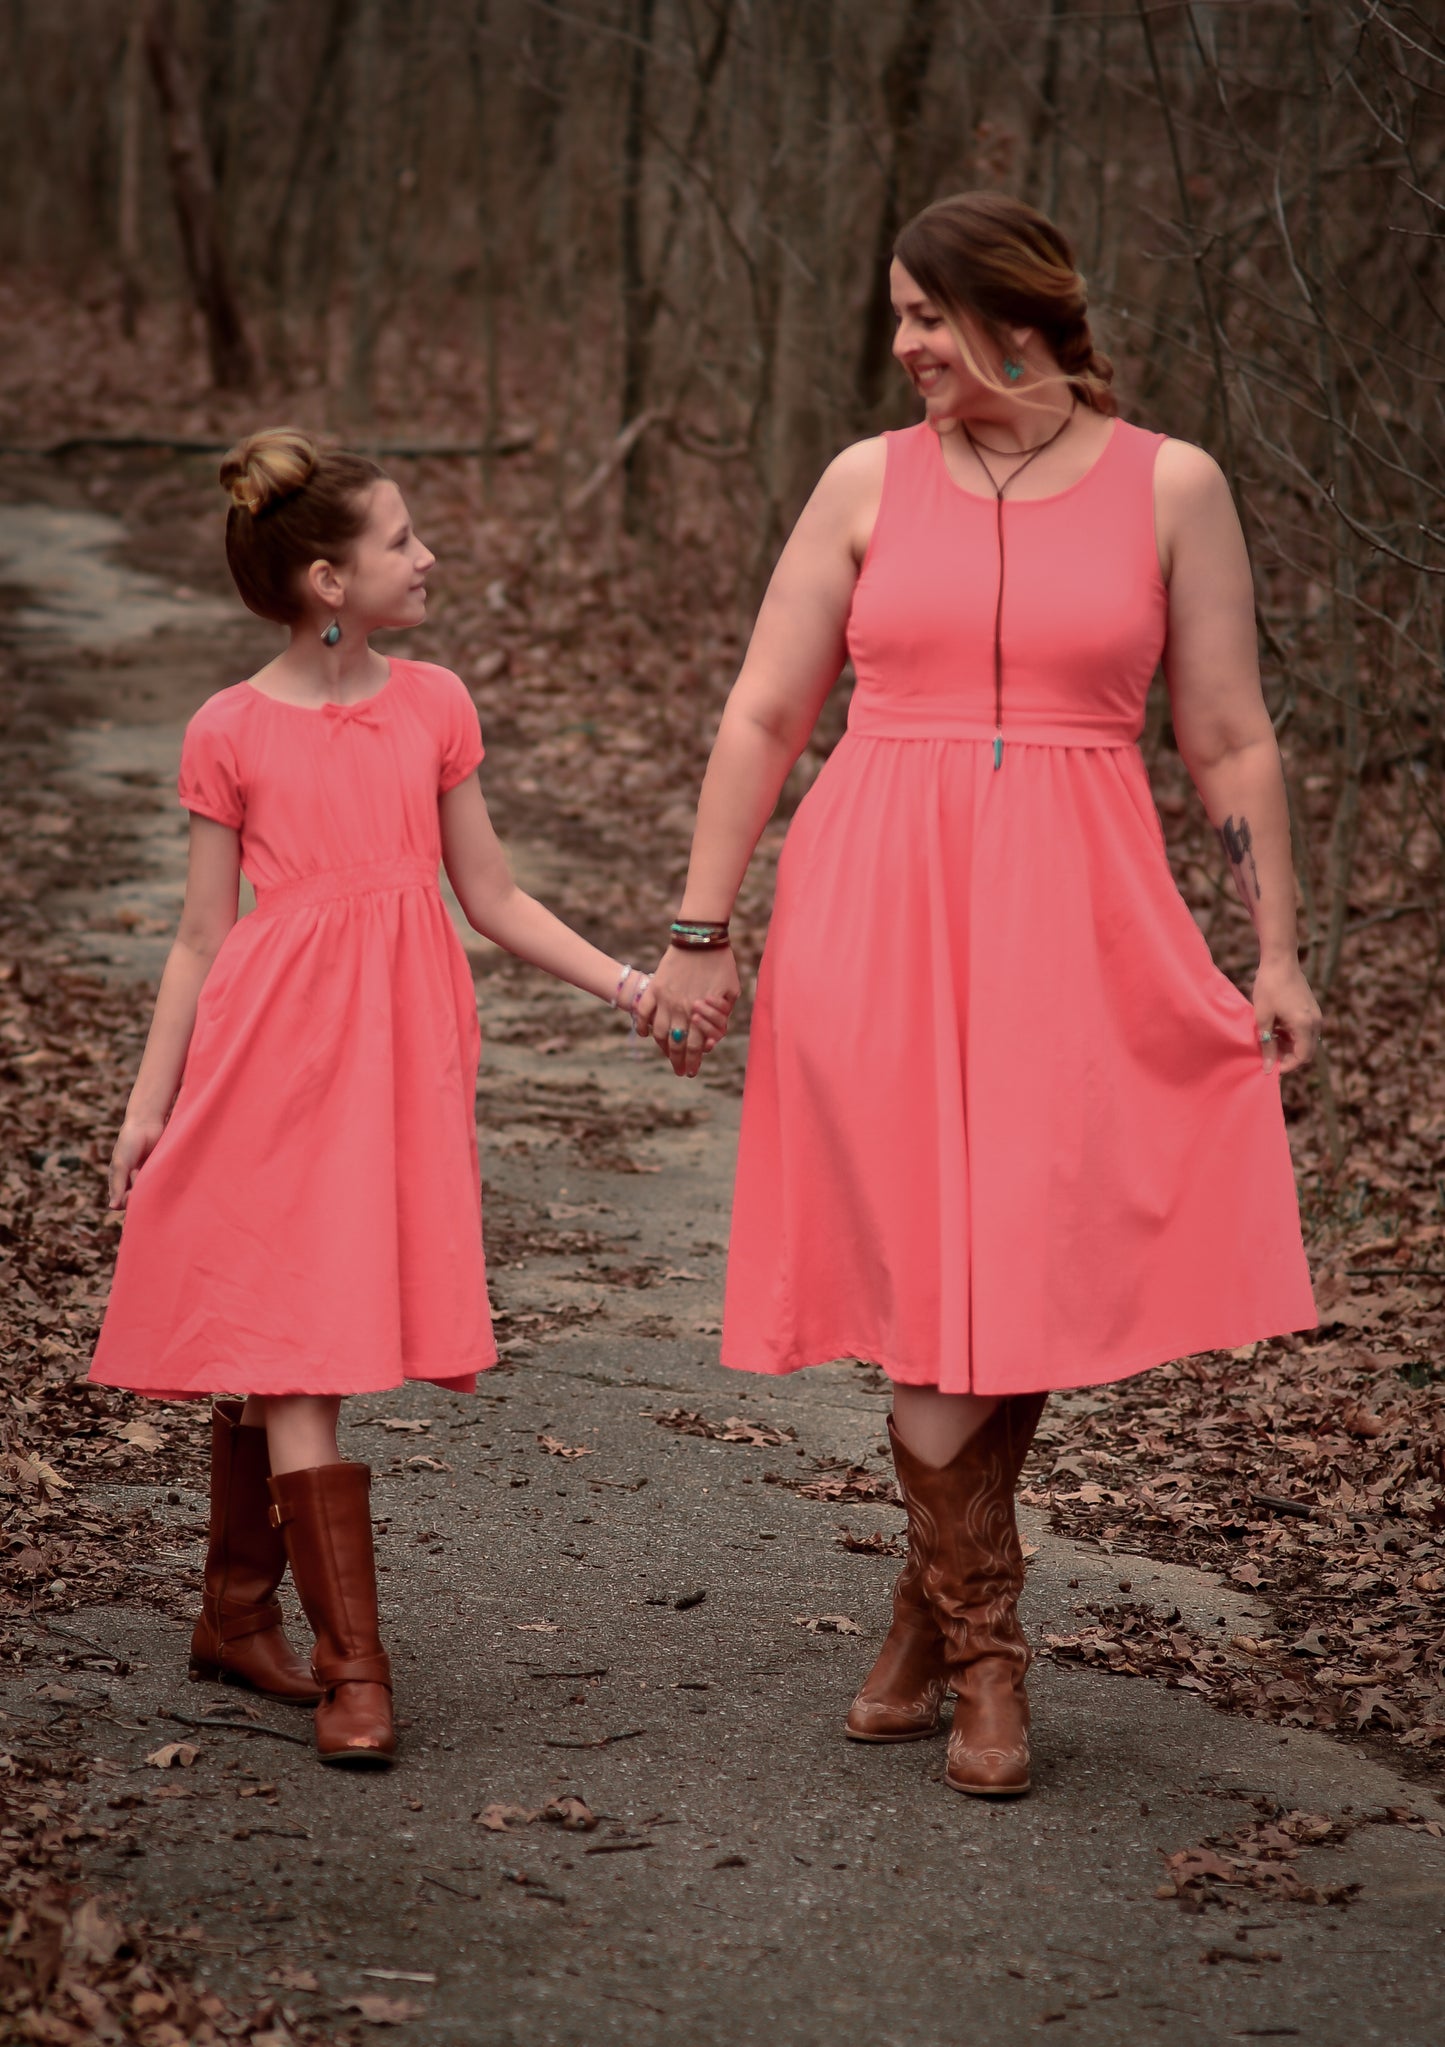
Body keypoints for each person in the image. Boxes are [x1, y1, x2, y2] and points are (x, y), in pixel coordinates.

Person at [638, 192, 1320, 1799]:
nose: (902, 346)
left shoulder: (1174, 485)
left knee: (1016, 1248)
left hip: (1077, 910)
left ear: (1011, 316)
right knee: (927, 1262)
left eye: (924, 317)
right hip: (875, 895)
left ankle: (925, 1612)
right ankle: (990, 1658)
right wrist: (699, 922)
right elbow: (761, 714)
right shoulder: (865, 482)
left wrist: (1273, 947)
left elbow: (1226, 739)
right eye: (895, 317)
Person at [88, 428, 710, 1767]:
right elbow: (202, 936)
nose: (427, 558)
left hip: (396, 1053)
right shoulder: (228, 730)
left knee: (298, 1321)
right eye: (402, 540)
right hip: (266, 1050)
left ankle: (232, 1609)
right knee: (304, 1341)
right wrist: (151, 1105)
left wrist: (625, 985)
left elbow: (486, 895)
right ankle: (352, 1667)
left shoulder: (431, 704)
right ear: (326, 579)